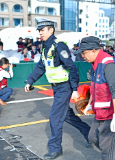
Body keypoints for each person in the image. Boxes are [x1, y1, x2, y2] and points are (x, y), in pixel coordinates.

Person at [24, 17, 91, 160]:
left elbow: (71, 67)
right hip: (56, 87)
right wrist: (30, 80)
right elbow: (41, 66)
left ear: (51, 30)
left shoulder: (59, 45)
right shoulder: (45, 46)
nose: (40, 33)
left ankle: (55, 149)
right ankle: (90, 134)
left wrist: (74, 88)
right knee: (66, 115)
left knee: (55, 117)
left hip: (64, 87)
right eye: (39, 30)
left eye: (42, 30)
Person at [75, 36, 115, 160]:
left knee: (106, 148)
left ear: (94, 50)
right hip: (103, 109)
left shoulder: (109, 65)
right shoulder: (95, 64)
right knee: (93, 137)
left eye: (84, 53)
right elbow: (94, 87)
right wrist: (90, 103)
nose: (82, 56)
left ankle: (111, 154)